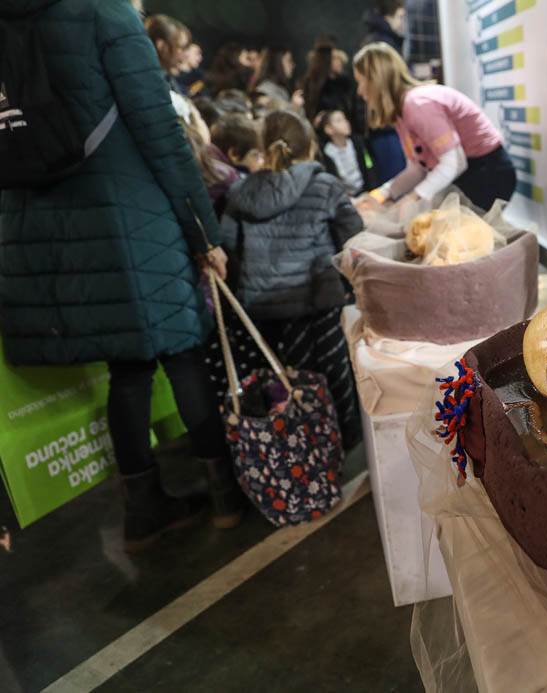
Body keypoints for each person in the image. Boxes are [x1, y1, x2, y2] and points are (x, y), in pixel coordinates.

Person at [0, 0, 244, 551]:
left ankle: (144, 510)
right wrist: (203, 233)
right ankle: (226, 493)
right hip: (132, 216)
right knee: (183, 354)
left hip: (44, 229)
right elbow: (159, 129)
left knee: (127, 370)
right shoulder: (104, 14)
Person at [216, 110, 363, 446]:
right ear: (309, 145)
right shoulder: (324, 185)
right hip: (318, 299)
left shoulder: (240, 193)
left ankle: (304, 448)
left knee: (288, 383)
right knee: (333, 373)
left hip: (264, 308)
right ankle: (346, 442)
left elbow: (228, 248)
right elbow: (353, 237)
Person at [353, 42, 517, 213]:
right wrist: (382, 194)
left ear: (376, 80)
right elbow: (417, 168)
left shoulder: (417, 105)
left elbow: (454, 163)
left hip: (488, 172)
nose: (359, 91)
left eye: (360, 81)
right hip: (473, 171)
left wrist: (412, 198)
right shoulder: (403, 111)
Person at [317, 109, 376, 195]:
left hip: (366, 190)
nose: (346, 122)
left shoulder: (358, 143)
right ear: (328, 129)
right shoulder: (327, 154)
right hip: (347, 197)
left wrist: (372, 189)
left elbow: (369, 165)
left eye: (345, 119)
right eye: (339, 120)